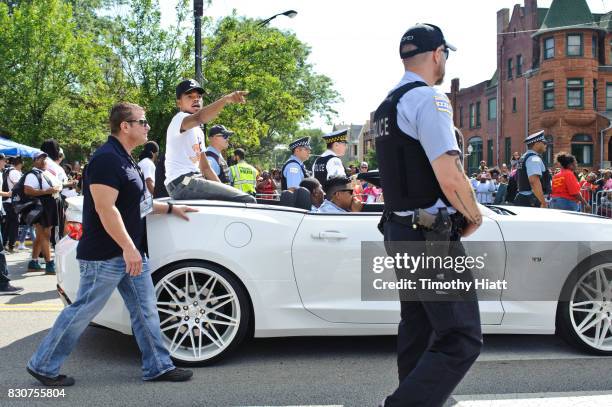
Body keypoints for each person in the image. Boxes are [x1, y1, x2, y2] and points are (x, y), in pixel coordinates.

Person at [27, 102, 195, 387]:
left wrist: (168, 209)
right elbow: (107, 209)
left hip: (131, 254)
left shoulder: (126, 159)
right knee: (82, 310)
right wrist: (129, 248)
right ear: (124, 126)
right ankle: (43, 365)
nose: (147, 126)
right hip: (107, 255)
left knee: (145, 310)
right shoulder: (106, 159)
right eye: (142, 122)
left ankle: (158, 366)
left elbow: (135, 204)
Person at [374, 23, 483, 407]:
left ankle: (420, 398)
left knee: (419, 328)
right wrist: (473, 214)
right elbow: (450, 174)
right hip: (429, 235)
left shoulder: (387, 105)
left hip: (400, 230)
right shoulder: (429, 99)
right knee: (461, 336)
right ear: (438, 54)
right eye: (445, 55)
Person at [163, 79, 255, 203]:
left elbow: (206, 168)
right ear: (178, 103)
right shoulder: (179, 119)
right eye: (190, 96)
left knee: (233, 198)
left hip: (189, 181)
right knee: (246, 199)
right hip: (182, 181)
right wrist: (225, 99)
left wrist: (225, 189)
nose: (196, 99)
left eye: (199, 96)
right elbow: (200, 117)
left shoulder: (198, 131)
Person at [24, 152, 62, 274]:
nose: (44, 161)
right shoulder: (32, 174)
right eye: (41, 159)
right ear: (35, 161)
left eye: (45, 158)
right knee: (45, 235)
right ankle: (49, 264)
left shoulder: (45, 172)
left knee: (42, 235)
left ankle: (34, 262)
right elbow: (28, 190)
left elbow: (55, 186)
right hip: (41, 207)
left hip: (48, 206)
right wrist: (46, 191)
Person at [513, 130, 550, 208]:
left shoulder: (524, 157)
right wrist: (543, 202)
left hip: (524, 198)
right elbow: (534, 181)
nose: (546, 145)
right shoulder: (533, 159)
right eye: (544, 143)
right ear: (537, 144)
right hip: (531, 200)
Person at [4, 156, 23, 252]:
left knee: (8, 224)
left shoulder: (7, 171)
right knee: (14, 224)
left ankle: (4, 243)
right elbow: (18, 187)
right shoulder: (14, 172)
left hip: (7, 201)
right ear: (19, 164)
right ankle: (11, 245)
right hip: (12, 201)